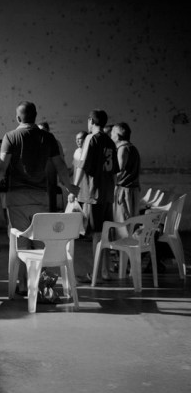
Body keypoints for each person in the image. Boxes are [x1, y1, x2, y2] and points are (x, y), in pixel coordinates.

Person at [0, 102, 79, 294]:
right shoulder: (48, 137)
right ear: (35, 116)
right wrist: (70, 186)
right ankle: (40, 285)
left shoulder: (10, 136)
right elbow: (60, 165)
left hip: (17, 197)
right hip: (40, 196)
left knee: (22, 242)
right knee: (40, 242)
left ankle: (24, 285)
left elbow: (1, 168)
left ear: (18, 118)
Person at [70, 109, 118, 282]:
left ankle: (96, 274)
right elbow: (115, 172)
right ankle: (105, 271)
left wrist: (74, 188)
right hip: (107, 194)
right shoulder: (110, 141)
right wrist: (112, 191)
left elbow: (82, 166)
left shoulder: (91, 138)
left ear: (91, 120)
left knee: (96, 236)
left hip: (94, 193)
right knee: (103, 234)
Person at [111, 122, 141, 222]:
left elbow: (120, 170)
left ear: (117, 136)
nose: (111, 136)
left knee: (123, 223)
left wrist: (110, 184)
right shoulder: (133, 148)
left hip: (124, 192)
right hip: (132, 191)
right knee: (130, 222)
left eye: (112, 133)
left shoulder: (123, 149)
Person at [38, 121, 66, 211]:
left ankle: (51, 214)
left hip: (51, 174)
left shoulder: (55, 142)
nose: (41, 132)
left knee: (51, 197)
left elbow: (61, 159)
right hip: (39, 176)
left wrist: (62, 176)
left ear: (48, 130)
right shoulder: (36, 142)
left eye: (43, 130)